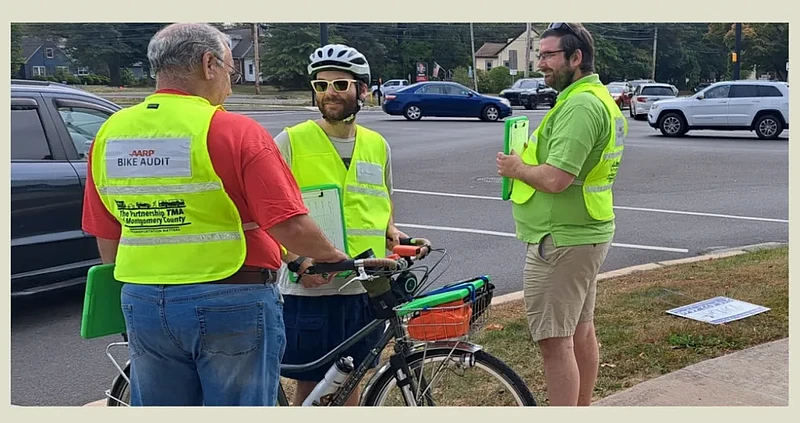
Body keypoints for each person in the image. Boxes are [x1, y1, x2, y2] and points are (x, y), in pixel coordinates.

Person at [80, 22, 348, 407]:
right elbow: (287, 222)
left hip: (142, 301)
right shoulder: (233, 131)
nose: (230, 83)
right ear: (208, 63)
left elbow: (106, 232)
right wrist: (330, 257)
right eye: (230, 70)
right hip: (230, 298)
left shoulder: (110, 134)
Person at [496, 22, 626, 406]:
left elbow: (555, 179)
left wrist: (516, 168)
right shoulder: (595, 98)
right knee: (580, 331)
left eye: (549, 55)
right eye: (540, 55)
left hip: (562, 240)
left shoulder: (581, 106)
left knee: (555, 343)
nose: (541, 64)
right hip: (583, 232)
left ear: (576, 57)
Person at [272, 44, 405, 406]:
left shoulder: (377, 145)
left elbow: (382, 198)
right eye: (321, 84)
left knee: (353, 380)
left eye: (341, 84)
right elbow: (266, 212)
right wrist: (295, 261)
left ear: (363, 90)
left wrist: (392, 232)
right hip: (312, 287)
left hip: (364, 285)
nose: (330, 92)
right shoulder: (291, 141)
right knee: (313, 386)